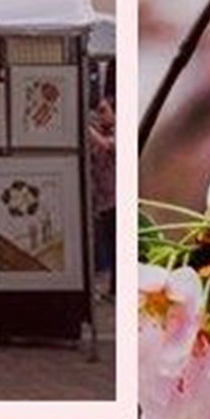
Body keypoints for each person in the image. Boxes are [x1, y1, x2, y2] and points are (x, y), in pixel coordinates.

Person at [88, 98, 117, 299]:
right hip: (104, 202)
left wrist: (86, 128)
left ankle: (116, 289)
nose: (100, 116)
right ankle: (113, 289)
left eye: (103, 111)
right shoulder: (102, 134)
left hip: (116, 200)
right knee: (110, 245)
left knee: (116, 247)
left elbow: (108, 147)